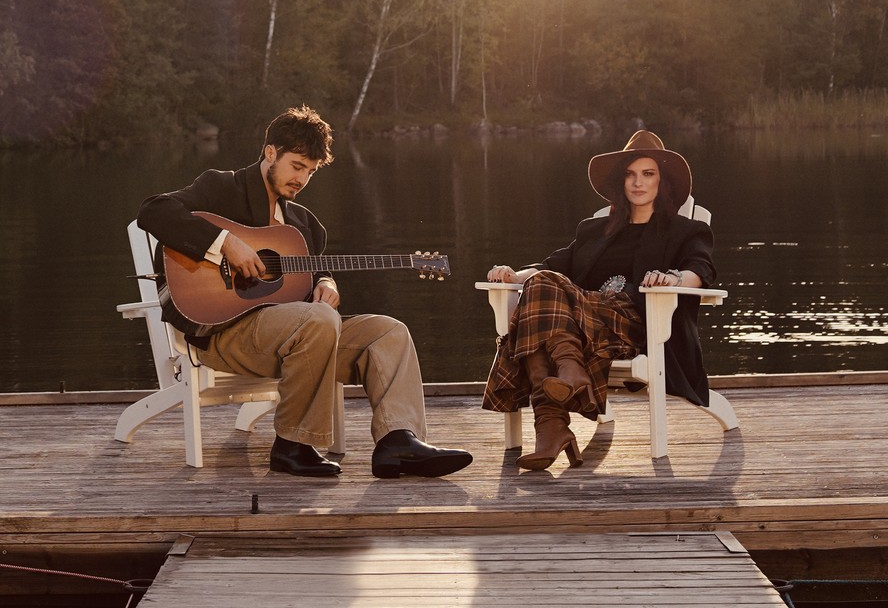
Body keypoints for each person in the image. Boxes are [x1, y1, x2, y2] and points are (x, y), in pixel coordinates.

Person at [137, 105, 472, 480]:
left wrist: (326, 282)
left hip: (297, 338)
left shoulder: (304, 223)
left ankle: (398, 441)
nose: (302, 179)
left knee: (388, 332)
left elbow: (311, 272)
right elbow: (154, 211)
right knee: (318, 320)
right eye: (296, 166)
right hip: (226, 334)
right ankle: (293, 445)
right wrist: (226, 242)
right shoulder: (223, 188)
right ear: (270, 153)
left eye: (310, 171)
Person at [482, 130, 716, 470]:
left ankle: (556, 411)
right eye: (630, 174)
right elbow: (549, 268)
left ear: (661, 182)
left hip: (637, 324)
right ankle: (563, 392)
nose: (638, 183)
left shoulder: (684, 230)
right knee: (541, 285)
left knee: (540, 300)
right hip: (585, 325)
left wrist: (673, 278)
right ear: (621, 181)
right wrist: (512, 276)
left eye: (648, 174)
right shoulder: (594, 230)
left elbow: (701, 269)